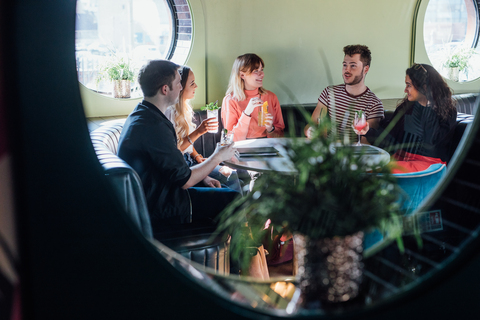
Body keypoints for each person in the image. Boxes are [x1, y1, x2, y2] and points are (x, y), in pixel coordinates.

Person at [117, 60, 239, 233]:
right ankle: (249, 257)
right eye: (177, 83)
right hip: (162, 206)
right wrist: (218, 156)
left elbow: (175, 168)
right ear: (165, 89)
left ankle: (240, 256)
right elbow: (185, 180)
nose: (181, 88)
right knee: (234, 199)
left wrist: (204, 177)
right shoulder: (153, 126)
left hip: (161, 194)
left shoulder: (145, 115)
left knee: (224, 190)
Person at [363, 63, 457, 173]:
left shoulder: (448, 112)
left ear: (424, 87)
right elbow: (390, 139)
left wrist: (426, 105)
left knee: (376, 172)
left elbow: (431, 143)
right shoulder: (406, 108)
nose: (405, 90)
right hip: (401, 160)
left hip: (430, 166)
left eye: (409, 85)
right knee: (363, 166)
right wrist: (367, 131)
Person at [164, 65, 243, 194]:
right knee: (230, 176)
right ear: (181, 86)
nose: (196, 87)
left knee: (231, 173)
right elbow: (176, 150)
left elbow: (187, 143)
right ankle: (236, 210)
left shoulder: (185, 108)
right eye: (192, 83)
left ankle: (238, 209)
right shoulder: (170, 112)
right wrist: (199, 132)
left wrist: (197, 156)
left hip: (191, 161)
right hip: (183, 165)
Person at [305, 45, 384, 142]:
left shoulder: (374, 104)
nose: (347, 70)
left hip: (353, 155)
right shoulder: (329, 93)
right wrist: (311, 131)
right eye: (344, 65)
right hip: (328, 151)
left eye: (353, 65)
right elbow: (312, 125)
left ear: (365, 69)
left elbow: (365, 145)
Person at [221, 53, 285, 142]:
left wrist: (271, 128)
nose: (261, 74)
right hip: (241, 148)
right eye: (255, 71)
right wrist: (247, 113)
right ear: (242, 75)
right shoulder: (230, 100)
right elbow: (232, 139)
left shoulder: (271, 97)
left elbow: (281, 136)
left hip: (268, 146)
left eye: (261, 69)